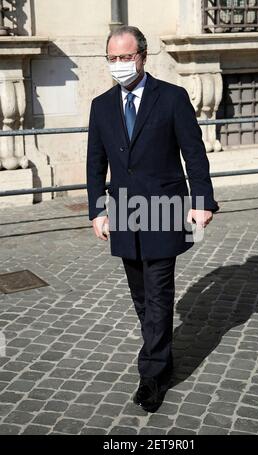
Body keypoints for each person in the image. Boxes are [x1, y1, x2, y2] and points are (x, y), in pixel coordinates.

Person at [86, 25, 219, 413]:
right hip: (124, 213)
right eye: (113, 59)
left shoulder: (173, 98)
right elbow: (96, 165)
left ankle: (152, 375)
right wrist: (97, 209)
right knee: (142, 297)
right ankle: (162, 353)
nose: (120, 65)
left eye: (126, 57)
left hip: (165, 211)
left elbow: (194, 154)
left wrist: (202, 201)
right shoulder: (101, 106)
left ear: (143, 56)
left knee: (159, 295)